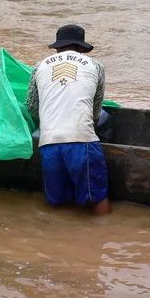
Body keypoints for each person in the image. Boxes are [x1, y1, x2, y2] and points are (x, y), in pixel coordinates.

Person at [26, 25, 109, 215]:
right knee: (97, 197)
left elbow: (31, 105)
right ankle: (104, 237)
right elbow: (96, 108)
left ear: (57, 48)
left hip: (48, 143)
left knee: (57, 202)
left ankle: (57, 238)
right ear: (81, 47)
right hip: (82, 141)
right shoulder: (95, 66)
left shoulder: (40, 66)